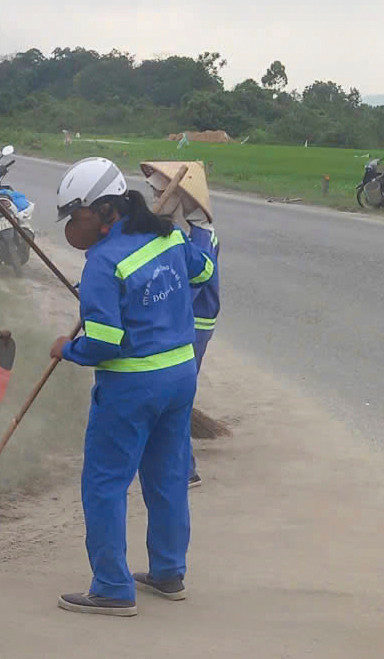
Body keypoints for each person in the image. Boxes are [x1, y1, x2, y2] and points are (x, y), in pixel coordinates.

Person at [49, 158, 215, 617]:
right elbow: (202, 272)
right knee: (166, 478)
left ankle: (111, 588)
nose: (72, 227)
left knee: (104, 484)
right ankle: (167, 573)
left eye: (75, 216)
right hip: (179, 379)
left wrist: (66, 349)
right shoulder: (169, 235)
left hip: (131, 387)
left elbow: (103, 343)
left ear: (105, 210)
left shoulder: (103, 264)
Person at [141, 161, 220, 489]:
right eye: (155, 191)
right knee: (173, 395)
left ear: (181, 195)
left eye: (162, 192)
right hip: (180, 322)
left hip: (194, 324)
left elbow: (189, 286)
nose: (156, 197)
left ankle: (185, 470)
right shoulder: (174, 230)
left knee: (173, 398)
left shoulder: (199, 237)